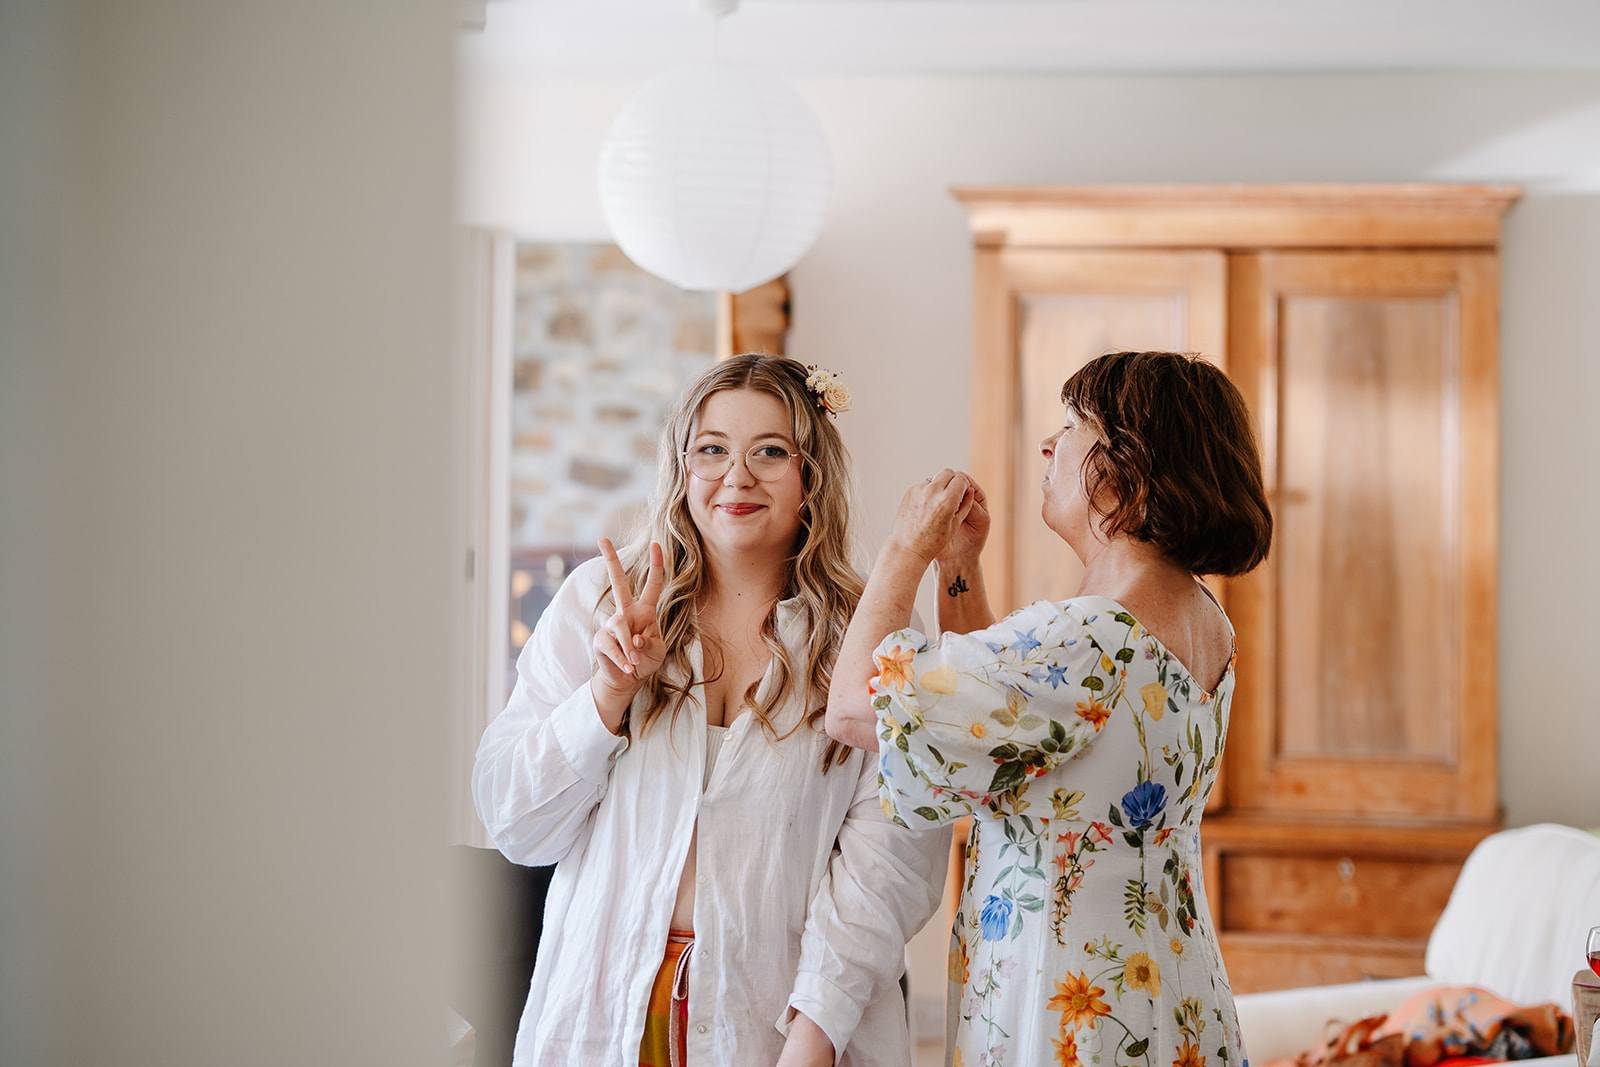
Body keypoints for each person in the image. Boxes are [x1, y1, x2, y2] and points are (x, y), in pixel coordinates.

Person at [474, 354, 950, 1066]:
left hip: (785, 1025)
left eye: (769, 451)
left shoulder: (869, 634)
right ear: (681, 465)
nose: (737, 475)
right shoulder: (596, 604)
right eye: (712, 450)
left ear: (810, 475)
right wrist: (605, 697)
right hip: (602, 1016)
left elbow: (895, 858)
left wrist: (812, 1036)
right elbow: (514, 821)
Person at [827, 351, 1272, 1067]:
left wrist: (903, 548)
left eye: (1071, 425)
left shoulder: (1085, 637)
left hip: (1068, 1011)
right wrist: (959, 567)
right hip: (1172, 996)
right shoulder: (1201, 619)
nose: (1048, 444)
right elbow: (1005, 730)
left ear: (1123, 464)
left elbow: (852, 707)